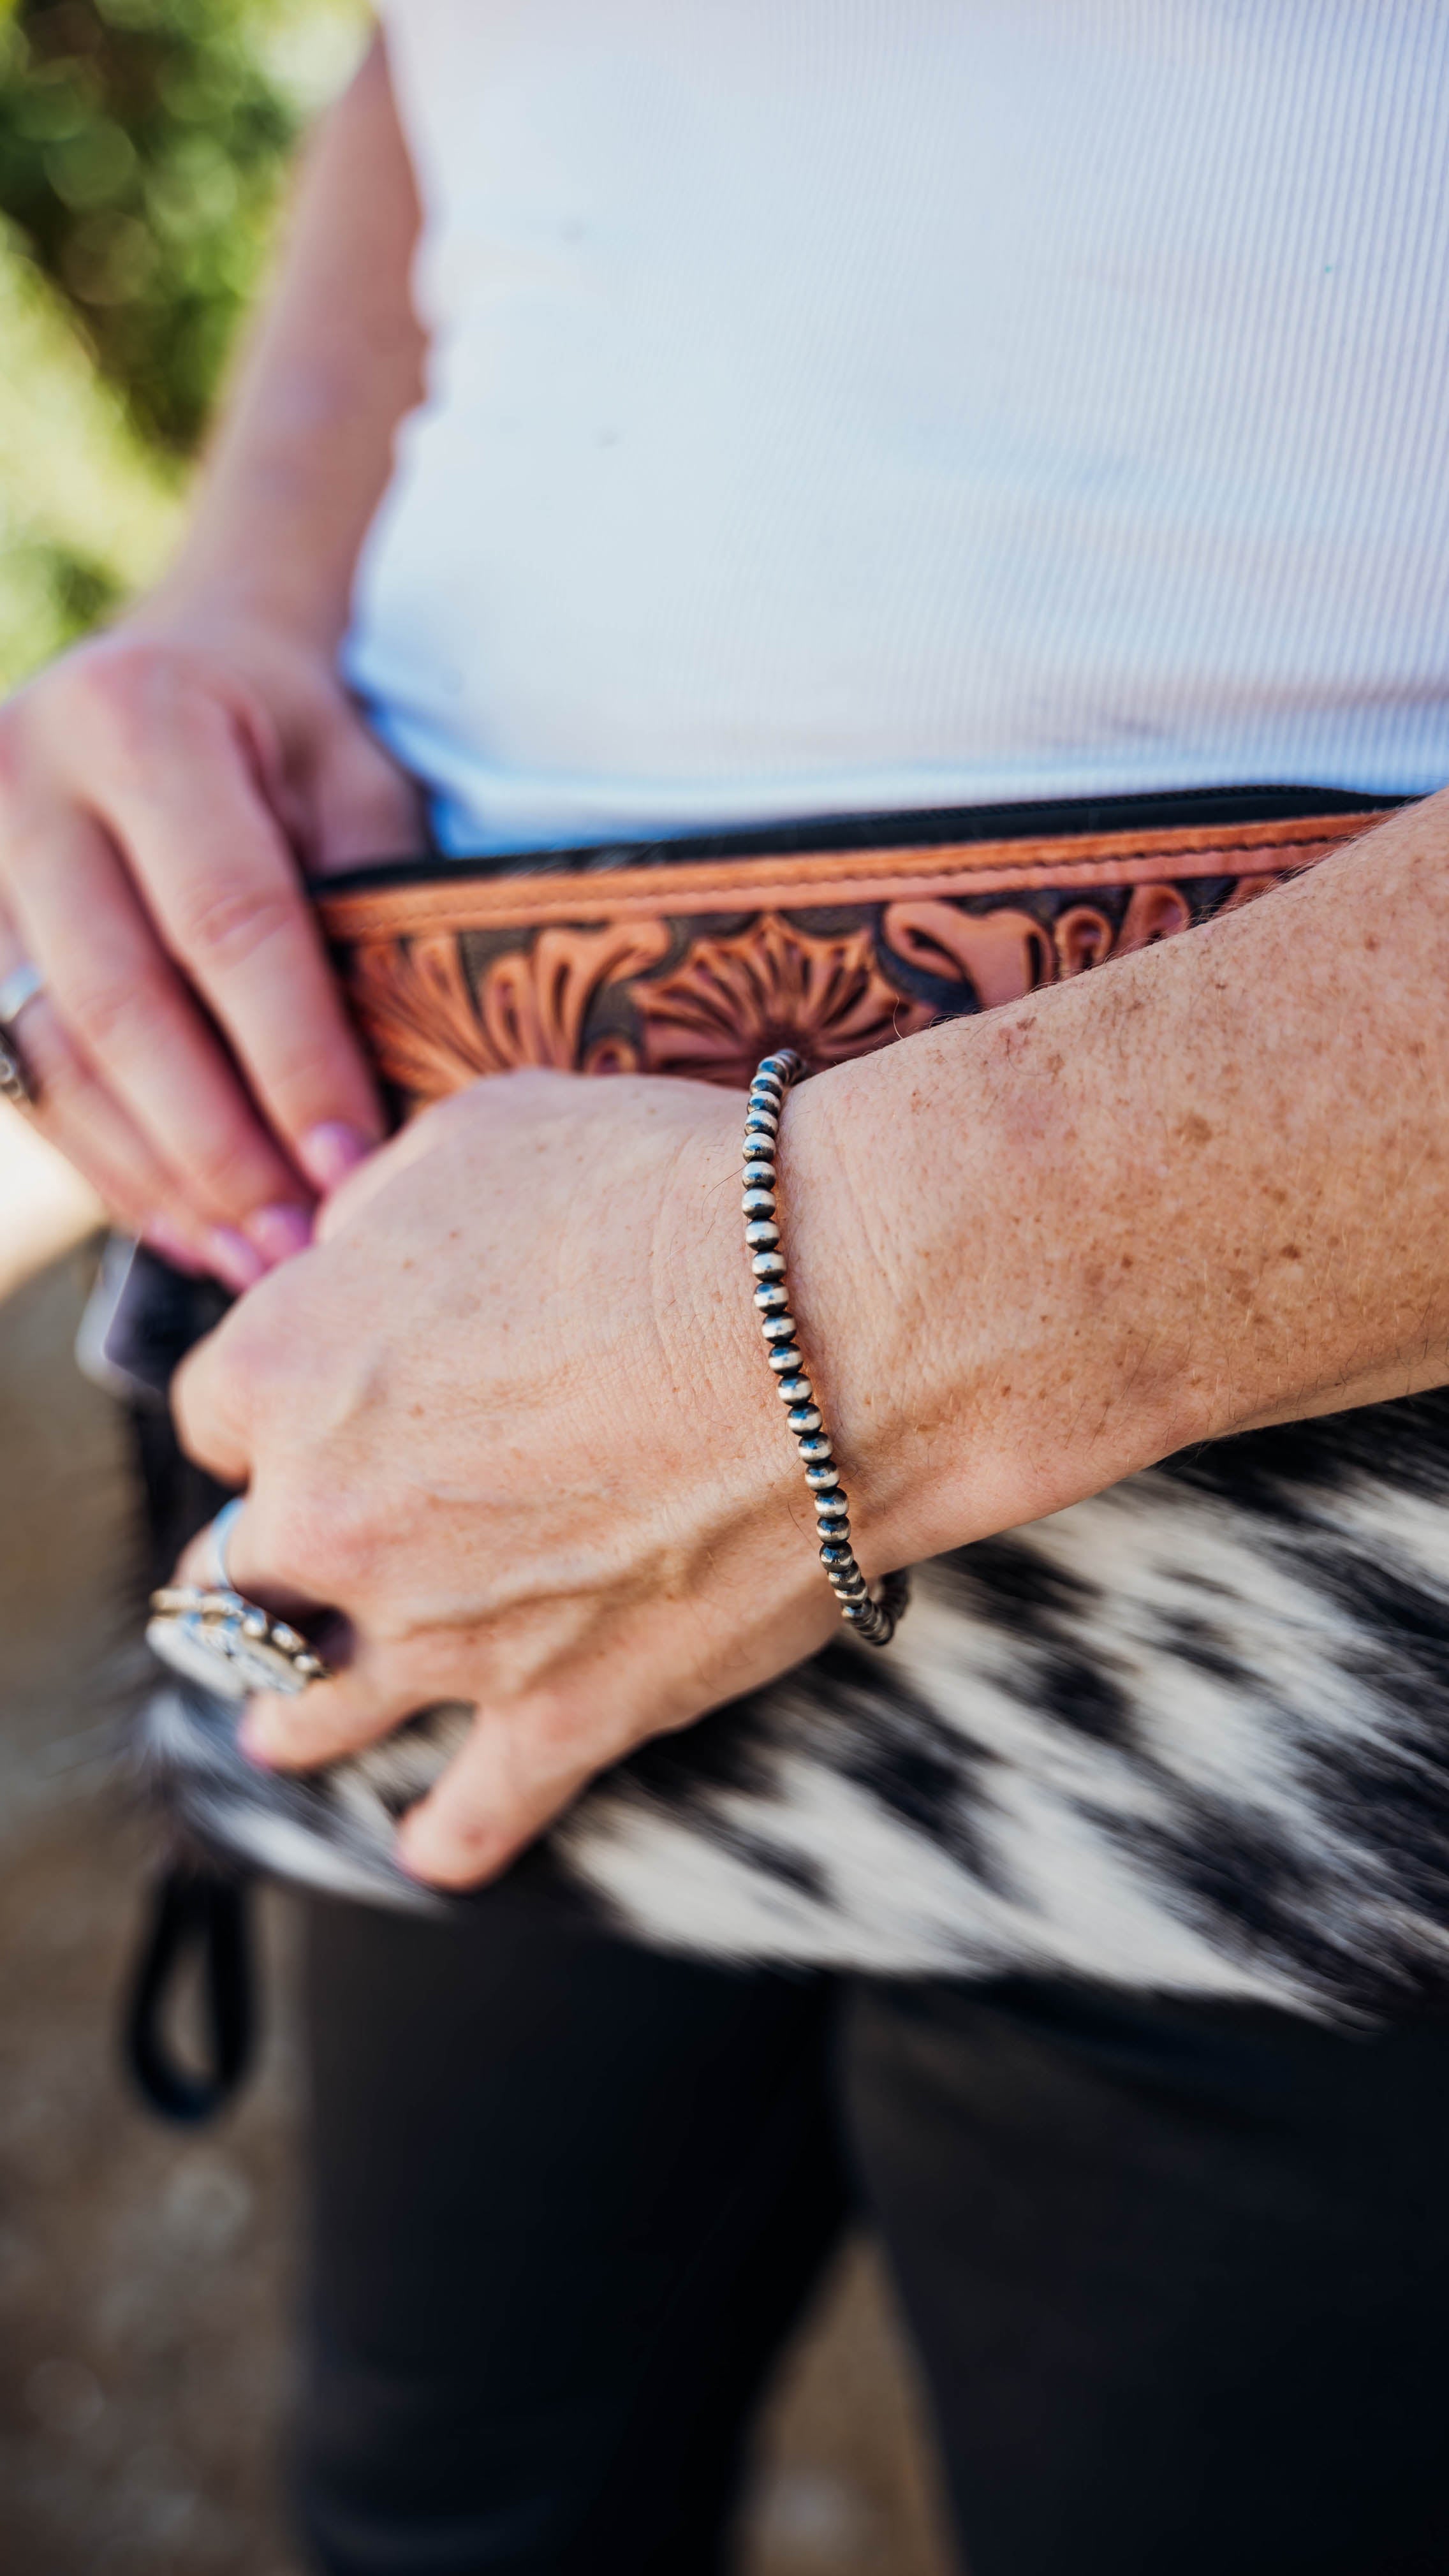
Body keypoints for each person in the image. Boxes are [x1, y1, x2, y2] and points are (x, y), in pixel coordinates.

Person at [5, 8, 1449, 2570]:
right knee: (444, 2497)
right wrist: (243, 587)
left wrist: (844, 1298)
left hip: (1346, 1434)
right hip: (450, 1252)